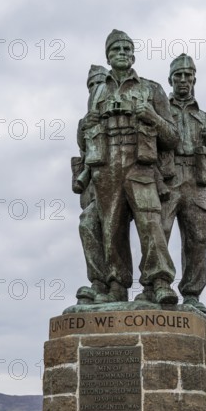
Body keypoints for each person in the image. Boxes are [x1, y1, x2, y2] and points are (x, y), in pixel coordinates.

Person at [81, 29, 179, 304]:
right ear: (108, 57)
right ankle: (115, 286)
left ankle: (159, 282)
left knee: (151, 223)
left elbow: (173, 138)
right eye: (116, 50)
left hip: (140, 164)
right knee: (111, 227)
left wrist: (151, 117)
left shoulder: (151, 88)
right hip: (107, 164)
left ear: (133, 55)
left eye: (126, 49)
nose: (121, 54)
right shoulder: (98, 91)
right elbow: (87, 132)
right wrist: (84, 127)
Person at [161, 53, 206, 314]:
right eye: (178, 75)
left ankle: (192, 294)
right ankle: (158, 285)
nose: (183, 80)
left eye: (188, 75)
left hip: (197, 181)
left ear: (195, 78)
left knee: (198, 239)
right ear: (171, 79)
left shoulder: (205, 118)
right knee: (158, 231)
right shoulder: (162, 109)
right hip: (169, 177)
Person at [71, 65, 109, 304]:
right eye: (92, 85)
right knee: (88, 224)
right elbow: (83, 150)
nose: (96, 89)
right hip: (96, 187)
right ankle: (99, 282)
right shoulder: (84, 122)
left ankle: (151, 285)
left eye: (100, 83)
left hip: (130, 180)